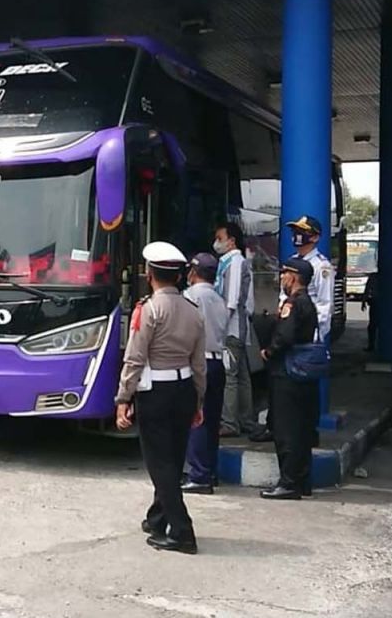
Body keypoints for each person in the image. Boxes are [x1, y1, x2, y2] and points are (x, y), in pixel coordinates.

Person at [116, 242, 208, 554]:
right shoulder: (194, 312)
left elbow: (135, 358)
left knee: (160, 464)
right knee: (172, 457)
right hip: (183, 391)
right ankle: (157, 518)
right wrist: (198, 401)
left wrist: (122, 399)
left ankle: (182, 531)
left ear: (149, 273)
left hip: (154, 392)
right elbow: (199, 364)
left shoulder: (148, 309)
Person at [251, 214, 334, 444]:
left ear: (315, 237)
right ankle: (274, 427)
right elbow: (283, 299)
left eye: (303, 231)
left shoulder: (321, 267)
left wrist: (315, 338)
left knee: (304, 387)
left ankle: (309, 432)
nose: (298, 235)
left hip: (306, 336)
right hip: (287, 332)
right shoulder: (291, 263)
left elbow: (325, 308)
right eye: (296, 230)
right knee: (279, 384)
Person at [259, 257, 320, 500]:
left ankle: (289, 483)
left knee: (286, 429)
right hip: (303, 372)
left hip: (287, 371)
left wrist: (268, 351)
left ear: (293, 277)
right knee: (303, 428)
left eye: (284, 273)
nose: (281, 278)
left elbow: (284, 336)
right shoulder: (308, 302)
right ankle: (302, 481)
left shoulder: (293, 304)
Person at [182, 253, 229, 495]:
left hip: (198, 363)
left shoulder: (190, 296)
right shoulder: (219, 299)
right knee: (211, 421)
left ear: (194, 272)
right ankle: (210, 472)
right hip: (218, 362)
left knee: (196, 419)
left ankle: (199, 476)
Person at [212, 222, 255, 438]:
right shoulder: (228, 262)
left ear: (232, 241)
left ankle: (229, 423)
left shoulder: (236, 262)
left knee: (230, 376)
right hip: (235, 327)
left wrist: (219, 326)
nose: (216, 243)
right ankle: (246, 420)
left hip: (231, 328)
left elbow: (231, 299)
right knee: (243, 376)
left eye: (220, 238)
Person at [361, 269, 379, 352]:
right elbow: (367, 289)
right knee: (374, 326)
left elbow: (367, 289)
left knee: (372, 326)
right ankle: (373, 345)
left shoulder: (373, 277)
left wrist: (364, 301)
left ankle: (372, 345)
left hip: (375, 303)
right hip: (379, 303)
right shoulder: (387, 277)